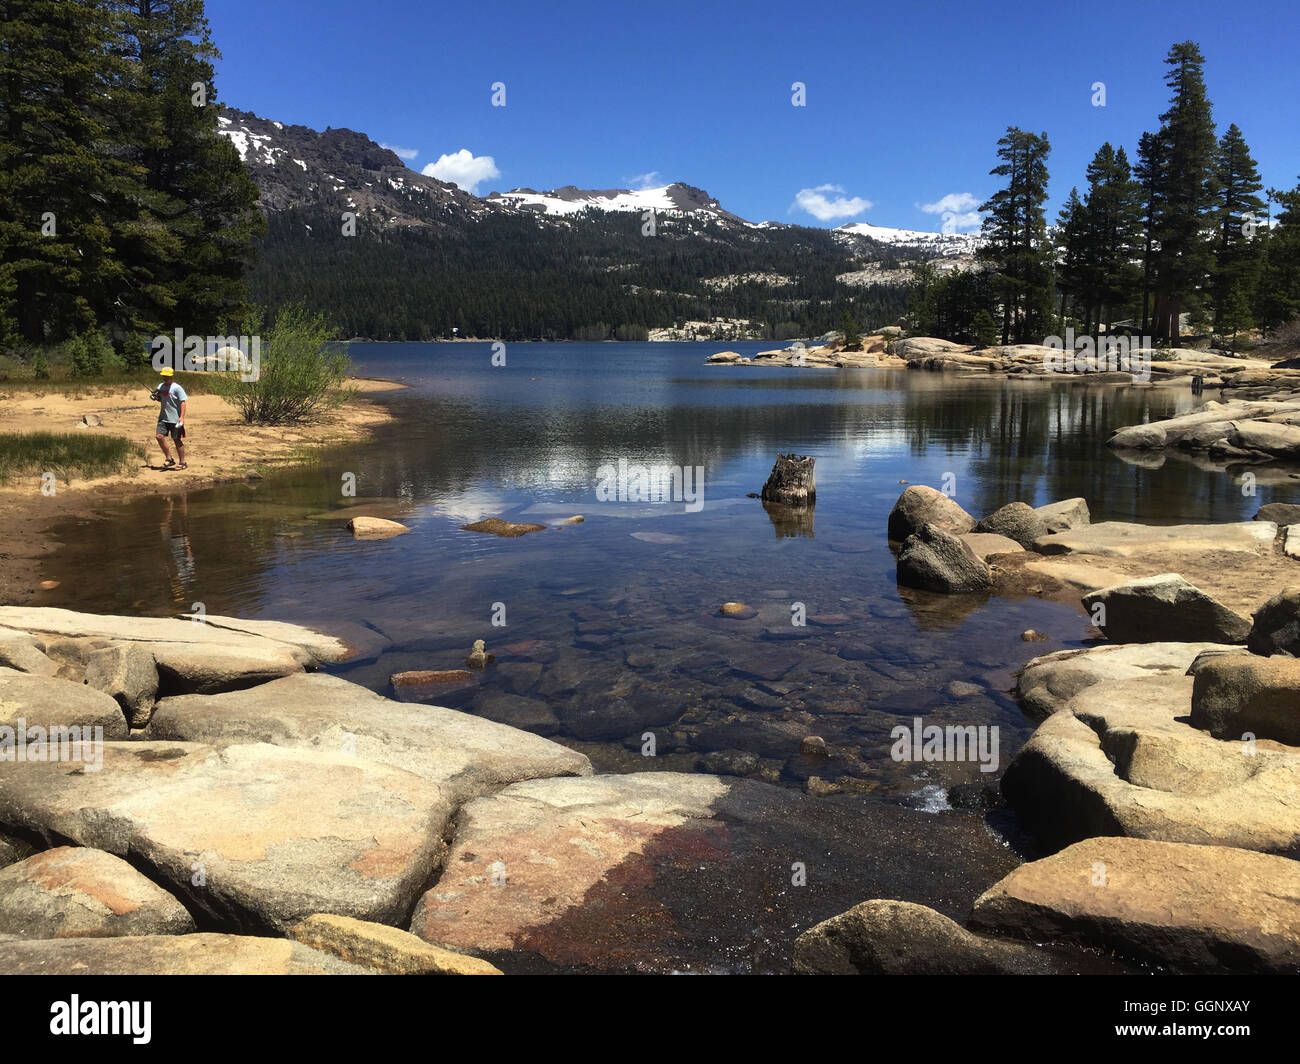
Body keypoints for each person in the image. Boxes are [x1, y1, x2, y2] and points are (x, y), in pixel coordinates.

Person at [150, 367, 189, 469]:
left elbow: (183, 403)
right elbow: (160, 398)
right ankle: (169, 459)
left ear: (171, 376)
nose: (165, 377)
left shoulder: (177, 388)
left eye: (167, 376)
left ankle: (182, 462)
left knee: (176, 439)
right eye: (163, 375)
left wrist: (181, 417)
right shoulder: (161, 386)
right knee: (159, 436)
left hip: (175, 418)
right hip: (163, 417)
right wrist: (155, 397)